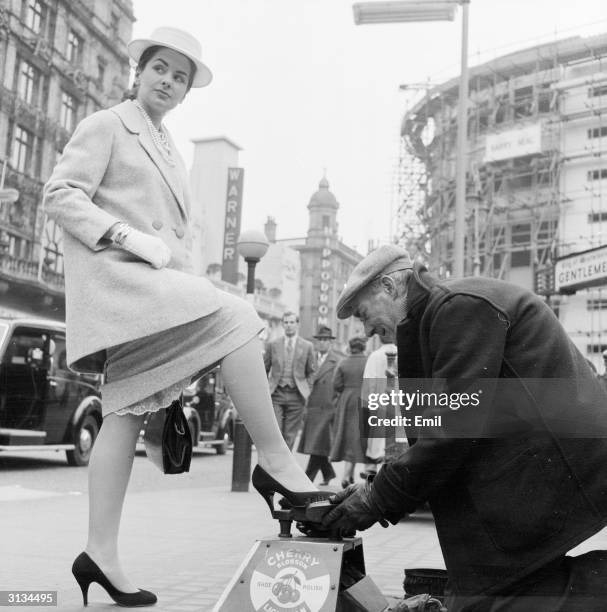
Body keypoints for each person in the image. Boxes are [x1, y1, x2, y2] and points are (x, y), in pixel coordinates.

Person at [43, 27, 327, 608]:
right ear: (139, 71)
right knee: (241, 316)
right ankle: (276, 462)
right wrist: (118, 232)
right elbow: (60, 193)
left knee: (121, 413)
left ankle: (99, 552)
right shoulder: (106, 125)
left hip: (153, 296)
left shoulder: (166, 144)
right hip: (125, 289)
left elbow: (178, 240)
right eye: (160, 69)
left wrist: (190, 283)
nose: (169, 82)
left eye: (180, 76)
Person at [322, 244, 607, 612]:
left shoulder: (458, 308)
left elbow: (452, 428)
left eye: (363, 314)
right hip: (539, 464)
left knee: (494, 600)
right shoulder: (439, 315)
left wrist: (379, 498)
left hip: (561, 463)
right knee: (480, 593)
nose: (368, 330)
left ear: (390, 287)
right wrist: (376, 490)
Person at [264, 311, 316, 450]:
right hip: (276, 393)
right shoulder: (273, 345)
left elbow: (312, 372)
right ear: (282, 324)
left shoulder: (307, 346)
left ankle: (284, 467)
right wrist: (266, 388)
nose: (289, 325)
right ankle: (275, 465)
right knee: (276, 432)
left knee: (290, 435)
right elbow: (265, 368)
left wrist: (307, 389)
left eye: (292, 322)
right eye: (286, 322)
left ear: (297, 324)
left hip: (296, 395)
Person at [298, 326, 340, 485]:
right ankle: (328, 473)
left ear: (330, 343)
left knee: (317, 445)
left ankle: (308, 478)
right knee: (319, 446)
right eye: (320, 340)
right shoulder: (311, 359)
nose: (322, 343)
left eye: (325, 340)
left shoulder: (337, 361)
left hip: (327, 408)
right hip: (313, 407)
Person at [330, 335, 368, 488]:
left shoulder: (343, 362)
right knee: (361, 437)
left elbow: (336, 384)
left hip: (347, 401)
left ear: (350, 347)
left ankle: (347, 474)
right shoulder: (368, 361)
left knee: (347, 437)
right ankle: (358, 473)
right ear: (363, 348)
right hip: (365, 399)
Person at [360, 335, 398, 478]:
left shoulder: (374, 356)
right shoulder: (402, 353)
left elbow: (369, 383)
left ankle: (373, 471)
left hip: (379, 403)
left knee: (376, 442)